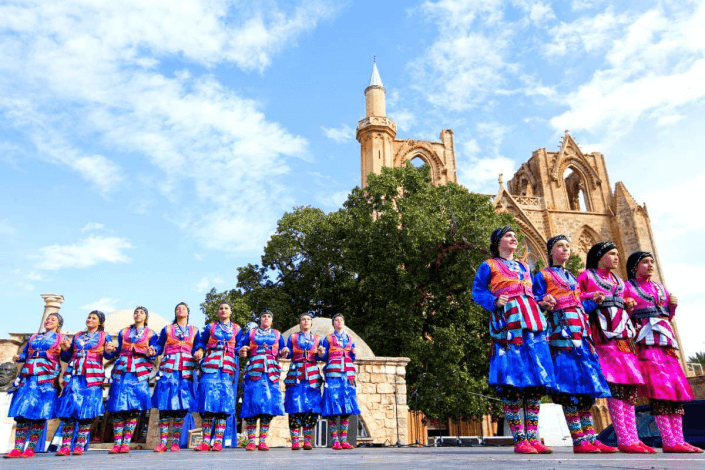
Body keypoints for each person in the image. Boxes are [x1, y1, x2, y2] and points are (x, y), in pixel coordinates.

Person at [472, 226, 556, 454]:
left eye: (515, 237)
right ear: (498, 241)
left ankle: (533, 438)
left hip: (533, 325)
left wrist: (543, 301)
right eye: (508, 236)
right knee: (512, 380)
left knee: (535, 383)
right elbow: (477, 292)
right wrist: (494, 301)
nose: (513, 239)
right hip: (509, 325)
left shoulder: (524, 267)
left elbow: (533, 294)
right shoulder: (488, 265)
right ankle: (520, 439)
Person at [533, 236, 614, 453]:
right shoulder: (543, 275)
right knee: (569, 386)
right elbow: (535, 300)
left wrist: (591, 302)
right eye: (560, 246)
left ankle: (590, 436)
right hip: (562, 335)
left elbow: (580, 306)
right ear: (551, 251)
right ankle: (578, 439)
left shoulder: (572, 277)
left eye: (567, 246)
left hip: (582, 334)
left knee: (587, 387)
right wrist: (544, 303)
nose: (565, 249)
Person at [625, 251, 702, 453]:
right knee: (659, 391)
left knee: (675, 391)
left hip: (666, 345)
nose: (650, 265)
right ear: (635, 267)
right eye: (645, 262)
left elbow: (666, 316)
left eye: (651, 261)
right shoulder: (628, 288)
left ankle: (679, 438)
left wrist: (672, 307)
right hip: (646, 345)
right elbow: (624, 316)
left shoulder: (660, 288)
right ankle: (668, 439)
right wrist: (628, 307)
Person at [577, 242, 650, 453]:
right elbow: (577, 300)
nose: (617, 258)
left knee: (628, 388)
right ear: (601, 256)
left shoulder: (619, 281)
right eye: (612, 253)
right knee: (616, 387)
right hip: (603, 339)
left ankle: (633, 437)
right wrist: (592, 297)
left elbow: (627, 302)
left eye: (618, 253)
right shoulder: (587, 277)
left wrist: (628, 304)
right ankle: (623, 438)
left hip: (623, 338)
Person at [5, 313, 66, 459]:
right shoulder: (33, 337)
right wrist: (19, 357)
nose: (48, 321)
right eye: (47, 319)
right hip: (28, 378)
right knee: (22, 412)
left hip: (47, 378)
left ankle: (31, 448)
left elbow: (67, 355)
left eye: (53, 319)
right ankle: (17, 448)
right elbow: (26, 353)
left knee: (39, 413)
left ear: (58, 324)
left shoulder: (61, 338)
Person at [55, 311, 116, 456]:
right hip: (75, 374)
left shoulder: (104, 336)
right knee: (69, 409)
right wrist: (64, 349)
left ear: (100, 322)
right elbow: (67, 356)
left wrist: (109, 351)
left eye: (94, 318)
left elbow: (108, 355)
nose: (90, 319)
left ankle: (80, 445)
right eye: (89, 317)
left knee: (87, 410)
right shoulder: (77, 335)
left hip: (92, 376)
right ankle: (65, 445)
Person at [106, 306, 158, 454]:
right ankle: (117, 443)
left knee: (134, 408)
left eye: (141, 312)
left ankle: (126, 443)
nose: (138, 314)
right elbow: (118, 351)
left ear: (146, 317)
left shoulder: (151, 333)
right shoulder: (124, 332)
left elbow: (153, 353)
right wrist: (110, 351)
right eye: (136, 312)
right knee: (118, 407)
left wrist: (151, 353)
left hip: (139, 372)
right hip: (122, 371)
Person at [192, 300, 243, 452]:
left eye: (226, 308)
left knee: (223, 404)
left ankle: (218, 441)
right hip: (210, 365)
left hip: (227, 367)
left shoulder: (236, 328)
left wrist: (242, 350)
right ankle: (205, 441)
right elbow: (201, 341)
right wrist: (200, 349)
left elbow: (239, 345)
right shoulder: (211, 326)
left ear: (231, 312)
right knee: (208, 403)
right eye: (221, 308)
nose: (223, 310)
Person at [152, 302, 201, 452]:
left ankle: (175, 442)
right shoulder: (167, 329)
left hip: (185, 370)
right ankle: (162, 442)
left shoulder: (194, 330)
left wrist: (199, 351)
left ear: (188, 313)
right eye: (178, 308)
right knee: (165, 406)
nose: (180, 310)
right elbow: (159, 345)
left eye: (184, 308)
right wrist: (154, 349)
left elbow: (199, 344)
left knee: (181, 407)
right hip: (168, 369)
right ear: (175, 313)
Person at [239, 310, 288, 451]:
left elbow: (283, 350)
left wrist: (284, 351)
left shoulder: (278, 334)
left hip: (271, 373)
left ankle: (263, 440)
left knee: (268, 406)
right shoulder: (251, 333)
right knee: (251, 404)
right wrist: (243, 350)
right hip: (254, 371)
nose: (266, 319)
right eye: (263, 316)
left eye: (269, 317)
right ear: (260, 319)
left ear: (272, 320)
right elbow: (241, 348)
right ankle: (250, 441)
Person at [320, 313, 360, 450]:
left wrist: (353, 353)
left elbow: (352, 358)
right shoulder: (328, 338)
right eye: (336, 320)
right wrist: (321, 353)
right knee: (332, 407)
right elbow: (324, 356)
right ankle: (335, 440)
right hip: (333, 375)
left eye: (341, 320)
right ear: (333, 324)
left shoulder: (350, 338)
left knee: (346, 408)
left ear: (344, 322)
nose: (339, 322)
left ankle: (344, 439)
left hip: (348, 376)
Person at [284, 312, 323, 450]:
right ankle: (295, 440)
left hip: (312, 376)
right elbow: (288, 353)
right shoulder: (293, 337)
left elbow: (321, 358)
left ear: (311, 323)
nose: (306, 321)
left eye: (308, 319)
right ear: (300, 323)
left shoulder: (318, 338)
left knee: (311, 409)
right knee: (295, 407)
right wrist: (285, 352)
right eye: (303, 319)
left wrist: (321, 354)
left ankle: (307, 440)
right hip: (296, 375)